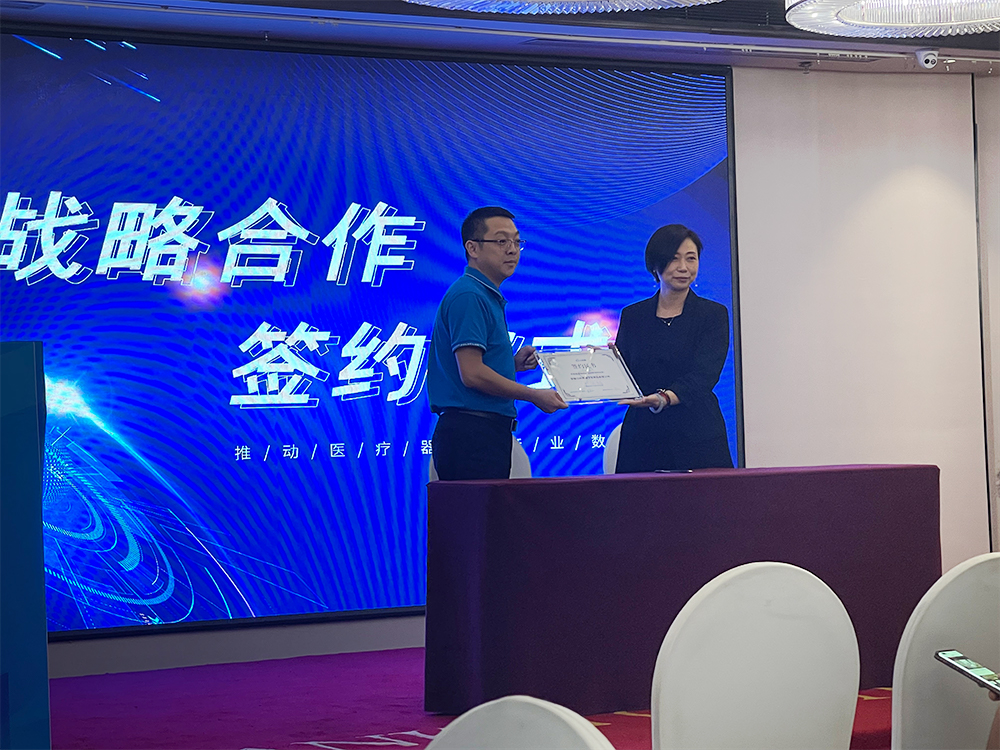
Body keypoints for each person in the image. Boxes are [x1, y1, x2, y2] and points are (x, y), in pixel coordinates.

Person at [427, 206, 567, 480]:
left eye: (517, 241)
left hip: (482, 432)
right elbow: (472, 374)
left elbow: (473, 366)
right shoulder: (469, 295)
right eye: (502, 241)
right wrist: (533, 395)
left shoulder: (483, 294)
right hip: (471, 435)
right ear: (472, 248)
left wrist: (510, 364)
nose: (512, 250)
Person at [614, 224, 733, 473]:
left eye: (691, 258)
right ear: (655, 265)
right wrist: (603, 362)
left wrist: (665, 398)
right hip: (643, 434)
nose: (683, 267)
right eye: (674, 259)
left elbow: (705, 375)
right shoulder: (633, 315)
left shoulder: (713, 314)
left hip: (698, 433)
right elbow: (624, 374)